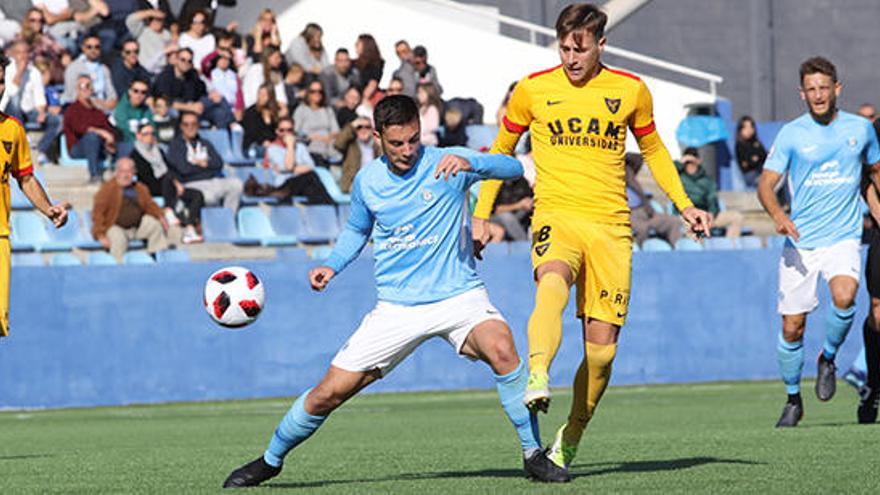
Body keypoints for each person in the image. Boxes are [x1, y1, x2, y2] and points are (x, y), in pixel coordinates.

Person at [221, 94, 569, 488]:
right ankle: (270, 460)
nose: (407, 151)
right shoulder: (368, 181)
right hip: (398, 309)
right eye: (397, 143)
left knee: (503, 349)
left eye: (413, 140)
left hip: (459, 296)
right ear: (377, 137)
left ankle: (532, 454)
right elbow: (357, 230)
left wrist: (474, 161)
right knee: (326, 395)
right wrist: (331, 266)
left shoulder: (447, 161)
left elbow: (511, 168)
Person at [471, 3, 711, 474]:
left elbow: (655, 149)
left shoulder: (630, 90)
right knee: (551, 282)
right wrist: (481, 213)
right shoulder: (532, 90)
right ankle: (537, 373)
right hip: (556, 214)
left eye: (579, 49)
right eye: (564, 48)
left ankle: (571, 436)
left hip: (611, 228)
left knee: (601, 353)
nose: (571, 58)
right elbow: (500, 152)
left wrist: (684, 205)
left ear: (602, 44)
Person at [757, 56, 880, 428]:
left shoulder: (861, 129)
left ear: (836, 89)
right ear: (802, 93)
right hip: (802, 242)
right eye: (811, 89)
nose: (818, 95)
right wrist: (779, 215)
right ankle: (793, 398)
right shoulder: (792, 134)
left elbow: (874, 172)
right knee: (792, 327)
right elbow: (765, 184)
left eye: (824, 88)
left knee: (845, 296)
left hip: (843, 236)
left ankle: (828, 358)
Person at [0, 53, 69, 338]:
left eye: (1, 82)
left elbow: (25, 178)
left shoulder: (12, 129)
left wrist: (48, 208)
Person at [130, 123, 204, 244]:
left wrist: (176, 182)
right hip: (150, 186)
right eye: (146, 134)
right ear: (139, 136)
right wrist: (173, 181)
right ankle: (168, 210)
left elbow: (170, 168)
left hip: (168, 185)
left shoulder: (159, 151)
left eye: (152, 133)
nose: (150, 137)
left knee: (197, 195)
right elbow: (144, 176)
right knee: (167, 178)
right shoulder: (135, 155)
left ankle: (190, 227)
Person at [91, 157, 172, 261]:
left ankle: (156, 257)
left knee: (154, 225)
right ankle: (118, 265)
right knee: (118, 238)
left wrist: (160, 216)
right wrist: (100, 235)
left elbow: (150, 205)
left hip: (137, 227)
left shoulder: (139, 188)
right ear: (116, 172)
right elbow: (98, 214)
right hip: (116, 227)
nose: (126, 175)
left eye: (129, 171)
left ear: (134, 173)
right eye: (123, 171)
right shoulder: (107, 190)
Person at [0, 40, 62, 164]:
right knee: (15, 100)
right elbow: (10, 92)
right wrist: (20, 72)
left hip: (28, 111)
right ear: (13, 54)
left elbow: (39, 96)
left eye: (25, 53)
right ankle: (22, 137)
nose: (23, 56)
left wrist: (42, 112)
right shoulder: (7, 69)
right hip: (8, 109)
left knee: (57, 120)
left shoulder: (34, 72)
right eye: (19, 53)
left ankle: (40, 150)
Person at [166, 111, 242, 211]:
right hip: (191, 184)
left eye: (194, 124)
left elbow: (218, 163)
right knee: (209, 197)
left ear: (198, 125)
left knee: (236, 184)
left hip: (212, 180)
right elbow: (184, 169)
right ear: (181, 126)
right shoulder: (175, 146)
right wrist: (205, 166)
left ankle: (228, 218)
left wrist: (204, 164)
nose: (190, 127)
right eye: (186, 124)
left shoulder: (205, 143)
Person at [152, 47, 235, 129]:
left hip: (194, 106)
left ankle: (231, 127)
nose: (186, 63)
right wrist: (190, 107)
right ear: (176, 60)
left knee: (219, 106)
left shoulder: (192, 74)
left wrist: (211, 95)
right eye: (183, 60)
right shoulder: (165, 76)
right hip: (177, 109)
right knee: (174, 112)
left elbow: (202, 92)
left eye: (189, 61)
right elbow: (165, 102)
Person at [258, 116, 334, 205]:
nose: (286, 133)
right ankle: (329, 207)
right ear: (277, 131)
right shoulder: (272, 149)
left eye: (289, 130)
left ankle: (323, 212)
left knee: (311, 188)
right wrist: (290, 146)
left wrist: (292, 169)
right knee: (310, 177)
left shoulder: (301, 147)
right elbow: (288, 166)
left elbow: (310, 166)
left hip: (302, 183)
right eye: (282, 130)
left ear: (293, 131)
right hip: (284, 186)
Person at [679, 147, 744, 239]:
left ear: (698, 161)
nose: (690, 166)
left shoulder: (707, 180)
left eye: (692, 163)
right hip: (688, 216)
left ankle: (730, 246)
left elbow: (712, 199)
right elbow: (667, 171)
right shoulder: (679, 179)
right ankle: (696, 247)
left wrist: (712, 213)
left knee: (736, 217)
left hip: (706, 215)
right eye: (687, 163)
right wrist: (680, 163)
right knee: (691, 226)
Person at [63, 74, 116, 182]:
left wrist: (109, 139)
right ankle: (94, 174)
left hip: (99, 145)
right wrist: (101, 132)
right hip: (77, 147)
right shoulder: (72, 109)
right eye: (82, 86)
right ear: (77, 89)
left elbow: (108, 127)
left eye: (89, 86)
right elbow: (79, 128)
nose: (86, 89)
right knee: (91, 137)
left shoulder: (97, 111)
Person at [625, 153, 682, 247]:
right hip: (630, 216)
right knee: (642, 229)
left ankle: (677, 253)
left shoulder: (634, 183)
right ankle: (638, 257)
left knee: (673, 222)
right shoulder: (613, 184)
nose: (627, 171)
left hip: (648, 213)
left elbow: (637, 159)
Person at [62, 34, 117, 111]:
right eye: (89, 47)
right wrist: (96, 103)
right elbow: (72, 94)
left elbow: (112, 95)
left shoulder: (104, 69)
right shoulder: (74, 68)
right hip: (81, 109)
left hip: (104, 109)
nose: (93, 50)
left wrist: (108, 104)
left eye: (97, 47)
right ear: (83, 48)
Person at [293, 79, 340, 166]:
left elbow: (336, 131)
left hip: (328, 147)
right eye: (313, 91)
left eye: (320, 91)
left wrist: (327, 137)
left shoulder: (328, 110)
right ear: (308, 93)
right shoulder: (301, 109)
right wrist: (309, 137)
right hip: (310, 148)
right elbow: (295, 132)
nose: (317, 94)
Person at [335, 116, 380, 193]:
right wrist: (352, 125)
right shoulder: (350, 144)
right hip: (353, 183)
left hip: (374, 183)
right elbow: (338, 143)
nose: (363, 130)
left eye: (367, 127)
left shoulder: (376, 145)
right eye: (359, 127)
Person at [112, 77, 154, 157]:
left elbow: (153, 128)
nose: (139, 95)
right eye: (136, 91)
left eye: (143, 92)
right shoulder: (121, 109)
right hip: (125, 144)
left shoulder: (147, 109)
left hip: (145, 143)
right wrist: (142, 139)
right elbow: (124, 131)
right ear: (129, 91)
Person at [125, 8, 173, 75]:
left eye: (159, 20)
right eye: (153, 19)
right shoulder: (142, 31)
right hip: (146, 71)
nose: (157, 22)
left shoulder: (167, 34)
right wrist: (150, 12)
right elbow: (130, 20)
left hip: (163, 71)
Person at [241, 82, 283, 156]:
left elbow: (277, 131)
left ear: (270, 97)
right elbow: (252, 132)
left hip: (271, 145)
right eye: (259, 94)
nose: (261, 97)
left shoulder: (275, 112)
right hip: (254, 145)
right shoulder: (251, 112)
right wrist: (264, 142)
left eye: (264, 95)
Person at [735, 115, 766, 188]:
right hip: (750, 174)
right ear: (740, 130)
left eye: (751, 127)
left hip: (760, 171)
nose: (749, 130)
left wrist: (757, 158)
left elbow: (764, 156)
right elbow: (747, 163)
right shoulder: (740, 145)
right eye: (745, 127)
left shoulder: (756, 143)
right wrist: (755, 159)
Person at [353, 34, 383, 105]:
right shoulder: (354, 63)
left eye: (358, 44)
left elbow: (372, 85)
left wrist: (359, 102)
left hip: (365, 100)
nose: (355, 45)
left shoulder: (376, 65)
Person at [417, 82, 441, 147]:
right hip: (420, 142)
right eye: (418, 93)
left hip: (429, 143)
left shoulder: (432, 109)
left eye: (422, 93)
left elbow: (433, 126)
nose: (419, 95)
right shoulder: (420, 109)